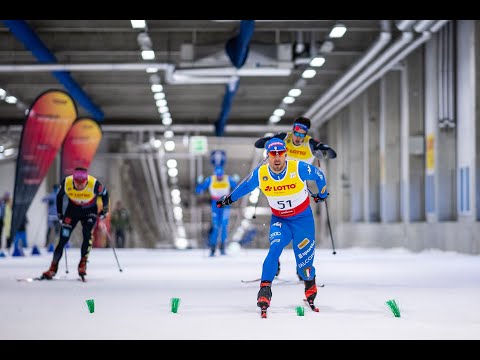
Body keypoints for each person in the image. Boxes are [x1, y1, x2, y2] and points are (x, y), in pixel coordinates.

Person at [216, 138, 328, 317]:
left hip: (303, 221)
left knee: (304, 268)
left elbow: (319, 176)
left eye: (280, 154)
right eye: (272, 155)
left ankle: (309, 284)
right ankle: (265, 290)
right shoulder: (261, 174)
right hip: (280, 221)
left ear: (285, 154)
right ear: (267, 156)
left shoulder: (297, 167)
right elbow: (244, 186)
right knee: (274, 249)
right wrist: (228, 199)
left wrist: (322, 193)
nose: (277, 159)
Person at [255, 116, 336, 279]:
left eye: (302, 133)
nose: (298, 136)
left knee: (302, 232)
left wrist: (322, 150)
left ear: (306, 133)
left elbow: (332, 155)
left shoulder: (310, 143)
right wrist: (268, 140)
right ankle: (274, 261)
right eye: (296, 131)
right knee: (278, 226)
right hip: (277, 185)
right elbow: (259, 144)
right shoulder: (284, 138)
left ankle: (302, 268)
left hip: (299, 189)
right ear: (293, 129)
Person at [41, 167, 109, 280]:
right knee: (63, 238)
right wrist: (60, 214)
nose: (80, 186)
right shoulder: (67, 182)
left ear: (86, 181)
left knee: (87, 233)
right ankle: (52, 268)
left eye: (83, 184)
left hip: (89, 211)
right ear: (73, 181)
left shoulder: (94, 184)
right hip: (72, 211)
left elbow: (105, 195)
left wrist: (104, 211)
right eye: (78, 184)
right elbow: (59, 196)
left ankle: (82, 264)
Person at [195, 166, 237, 256]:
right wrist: (199, 184)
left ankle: (222, 247)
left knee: (224, 225)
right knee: (216, 226)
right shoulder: (210, 179)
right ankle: (213, 247)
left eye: (220, 176)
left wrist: (236, 182)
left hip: (225, 203)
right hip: (215, 204)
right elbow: (199, 190)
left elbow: (237, 187)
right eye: (218, 176)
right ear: (215, 174)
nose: (219, 178)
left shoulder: (228, 179)